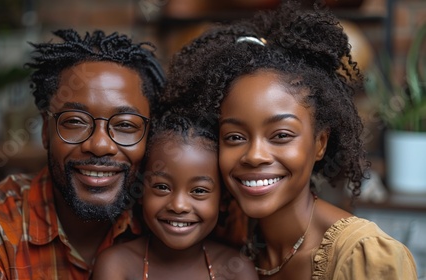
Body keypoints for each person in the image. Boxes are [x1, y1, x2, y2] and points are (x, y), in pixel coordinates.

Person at [163, 2, 418, 279]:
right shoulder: (224, 241)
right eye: (235, 137)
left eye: (281, 135)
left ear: (320, 143)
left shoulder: (362, 257)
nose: (255, 155)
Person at [0, 28, 165, 279]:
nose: (100, 145)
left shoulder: (171, 221)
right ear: (46, 131)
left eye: (125, 125)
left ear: (149, 135)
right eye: (76, 122)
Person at [92, 112, 258, 280]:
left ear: (222, 200)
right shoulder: (116, 265)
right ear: (141, 191)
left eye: (199, 191)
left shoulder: (238, 269)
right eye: (162, 187)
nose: (179, 206)